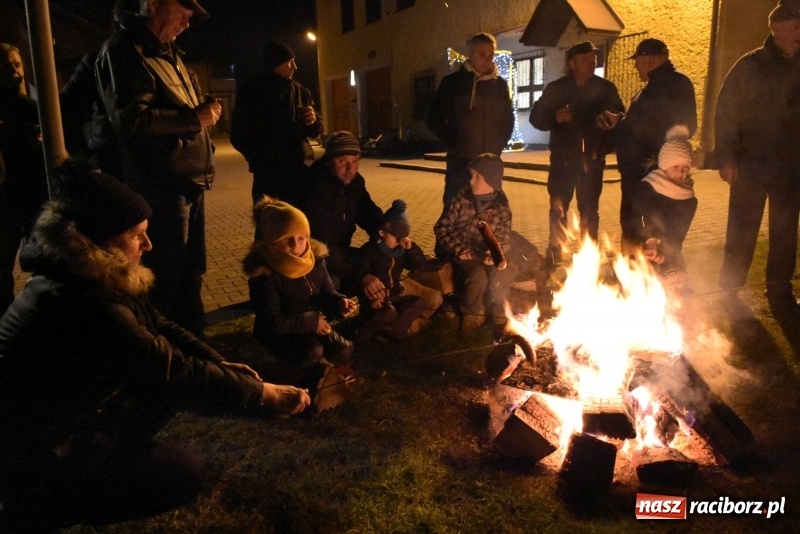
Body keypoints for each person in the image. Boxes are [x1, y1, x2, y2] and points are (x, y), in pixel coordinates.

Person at [0, 161, 310, 531]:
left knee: (162, 389)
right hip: (33, 446)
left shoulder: (86, 273)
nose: (148, 244)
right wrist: (261, 394)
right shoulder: (83, 300)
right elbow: (168, 367)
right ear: (93, 242)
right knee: (183, 472)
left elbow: (162, 327)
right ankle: (40, 509)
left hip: (57, 422)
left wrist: (227, 368)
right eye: (135, 235)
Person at [95, 0, 221, 337]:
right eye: (182, 12)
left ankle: (197, 349)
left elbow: (176, 111)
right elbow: (130, 119)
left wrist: (200, 111)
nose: (187, 22)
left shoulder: (170, 55)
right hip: (161, 188)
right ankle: (168, 358)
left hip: (190, 183)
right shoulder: (124, 52)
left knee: (192, 273)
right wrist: (192, 118)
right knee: (166, 280)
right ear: (153, 5)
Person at [715, 1, 800, 313]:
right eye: (795, 26)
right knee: (741, 229)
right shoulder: (750, 66)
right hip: (750, 165)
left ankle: (779, 292)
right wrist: (726, 157)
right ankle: (729, 289)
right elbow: (726, 112)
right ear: (776, 29)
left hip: (791, 168)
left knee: (785, 232)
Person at [243, 196, 359, 409]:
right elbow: (272, 321)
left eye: (301, 237)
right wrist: (312, 322)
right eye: (287, 239)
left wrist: (340, 302)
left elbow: (327, 292)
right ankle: (306, 386)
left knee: (344, 349)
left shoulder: (315, 259)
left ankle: (330, 379)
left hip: (310, 323)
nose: (297, 246)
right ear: (272, 241)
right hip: (279, 333)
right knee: (312, 351)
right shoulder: (265, 274)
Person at [529, 41, 624, 267]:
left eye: (593, 59)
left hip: (592, 160)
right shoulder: (557, 88)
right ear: (572, 63)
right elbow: (536, 118)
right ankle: (555, 252)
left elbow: (621, 114)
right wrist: (554, 118)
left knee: (590, 209)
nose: (591, 63)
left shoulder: (605, 88)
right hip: (563, 161)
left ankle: (587, 254)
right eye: (585, 59)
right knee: (558, 207)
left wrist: (615, 119)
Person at [596, 38, 697, 251]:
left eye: (638, 60)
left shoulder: (676, 85)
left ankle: (649, 272)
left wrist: (657, 161)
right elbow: (640, 123)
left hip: (652, 174)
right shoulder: (650, 88)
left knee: (648, 227)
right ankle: (632, 271)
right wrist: (620, 120)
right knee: (632, 222)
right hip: (635, 172)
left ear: (651, 60)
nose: (635, 65)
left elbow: (682, 126)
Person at [230, 40, 323, 210]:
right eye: (289, 62)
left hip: (299, 170)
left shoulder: (301, 91)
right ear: (275, 64)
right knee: (269, 222)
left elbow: (315, 131)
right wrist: (259, 158)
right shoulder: (252, 91)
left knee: (299, 223)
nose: (294, 67)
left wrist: (314, 120)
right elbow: (239, 133)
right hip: (269, 174)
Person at [426, 32, 514, 207]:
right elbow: (433, 118)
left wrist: (497, 147)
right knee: (455, 213)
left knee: (488, 214)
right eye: (482, 54)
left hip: (489, 166)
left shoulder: (500, 86)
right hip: (461, 165)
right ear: (470, 52)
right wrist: (454, 142)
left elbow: (507, 121)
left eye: (490, 56)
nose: (487, 60)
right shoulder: (452, 83)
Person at [434, 153, 514, 338]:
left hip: (483, 254)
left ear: (491, 181)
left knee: (502, 273)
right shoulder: (461, 199)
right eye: (471, 175)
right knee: (477, 277)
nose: (471, 180)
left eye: (477, 176)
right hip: (461, 253)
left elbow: (503, 236)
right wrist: (459, 248)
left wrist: (493, 251)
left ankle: (499, 318)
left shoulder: (501, 207)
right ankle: (470, 320)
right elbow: (442, 227)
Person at [59, 0, 138, 176]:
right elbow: (66, 107)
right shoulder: (96, 63)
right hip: (115, 161)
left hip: (157, 168)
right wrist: (87, 153)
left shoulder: (160, 61)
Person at [300, 131, 384, 296]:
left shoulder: (354, 183)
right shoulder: (316, 187)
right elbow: (320, 243)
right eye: (342, 161)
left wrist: (389, 232)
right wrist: (361, 275)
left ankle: (378, 311)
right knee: (334, 282)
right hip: (312, 258)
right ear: (328, 161)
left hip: (338, 251)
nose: (350, 168)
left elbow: (368, 213)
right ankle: (317, 317)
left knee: (379, 258)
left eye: (354, 161)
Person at [354, 199, 445, 343]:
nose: (399, 241)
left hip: (394, 296)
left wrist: (411, 249)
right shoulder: (369, 251)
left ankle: (394, 333)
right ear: (382, 232)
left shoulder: (401, 252)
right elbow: (359, 275)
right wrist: (371, 298)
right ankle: (361, 337)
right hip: (375, 302)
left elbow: (419, 266)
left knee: (419, 302)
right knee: (387, 314)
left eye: (403, 237)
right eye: (396, 237)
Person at [0, 42, 47, 317]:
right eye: (6, 66)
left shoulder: (29, 106)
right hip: (5, 199)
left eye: (17, 64)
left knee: (39, 261)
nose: (14, 71)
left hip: (31, 197)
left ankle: (34, 316)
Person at [632, 125, 697, 275]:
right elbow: (641, 216)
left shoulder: (688, 199)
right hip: (644, 247)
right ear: (664, 166)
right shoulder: (649, 187)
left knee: (676, 284)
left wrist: (666, 256)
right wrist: (651, 241)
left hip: (670, 254)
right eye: (675, 167)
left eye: (685, 167)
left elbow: (679, 232)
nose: (681, 172)